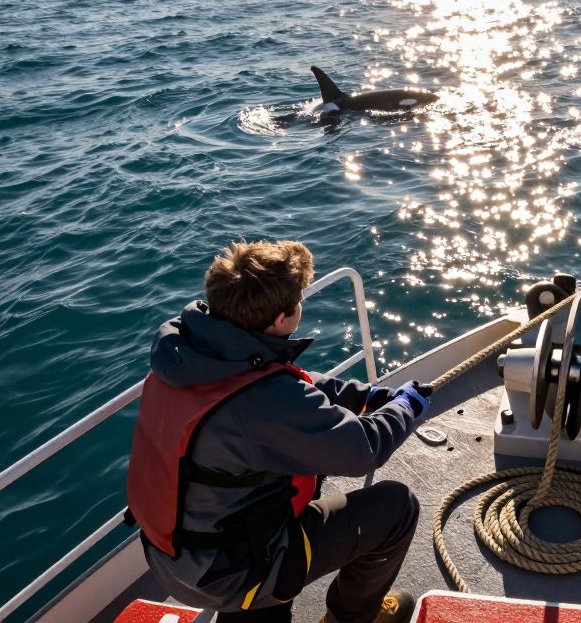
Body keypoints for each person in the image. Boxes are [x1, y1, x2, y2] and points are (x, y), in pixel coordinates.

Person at [126, 239, 430, 623]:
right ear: (282, 320)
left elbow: (285, 383)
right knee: (396, 508)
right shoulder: (261, 403)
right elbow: (364, 448)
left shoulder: (186, 355)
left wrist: (363, 395)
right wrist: (405, 407)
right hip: (232, 573)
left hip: (176, 556)